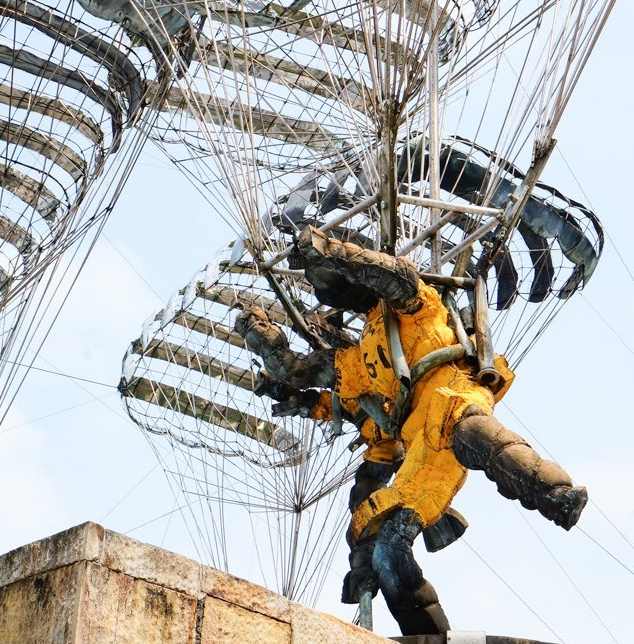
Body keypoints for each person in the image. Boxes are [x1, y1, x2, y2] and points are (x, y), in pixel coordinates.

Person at [236, 226, 587, 635]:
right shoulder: (356, 361)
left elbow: (396, 275)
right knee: (388, 550)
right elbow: (305, 374)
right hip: (419, 449)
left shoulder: (413, 305)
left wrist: (330, 251)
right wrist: (261, 338)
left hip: (453, 393)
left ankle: (554, 492)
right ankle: (427, 633)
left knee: (471, 431)